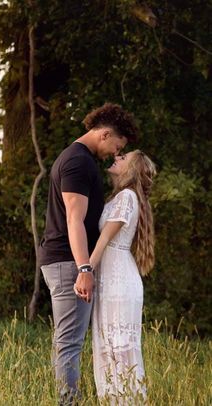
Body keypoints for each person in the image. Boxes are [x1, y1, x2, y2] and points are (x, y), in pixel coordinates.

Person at [38, 103, 138, 404]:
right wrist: (84, 268)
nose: (115, 154)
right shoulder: (78, 162)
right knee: (69, 342)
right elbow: (74, 218)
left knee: (69, 341)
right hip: (69, 262)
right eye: (117, 146)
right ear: (105, 134)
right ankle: (69, 402)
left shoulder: (78, 159)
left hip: (66, 260)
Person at [80, 149, 156, 404]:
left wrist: (85, 269)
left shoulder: (127, 196)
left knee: (118, 348)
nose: (117, 157)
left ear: (131, 169)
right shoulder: (118, 197)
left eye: (124, 158)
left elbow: (105, 238)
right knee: (107, 347)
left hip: (118, 281)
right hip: (111, 279)